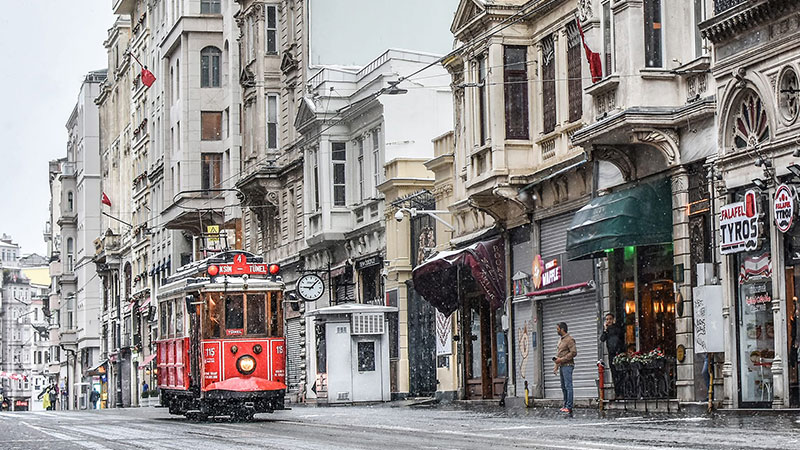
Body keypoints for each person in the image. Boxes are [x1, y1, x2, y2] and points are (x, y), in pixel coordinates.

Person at [553, 322, 577, 414]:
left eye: (558, 329)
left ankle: (569, 406)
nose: (557, 331)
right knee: (563, 386)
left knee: (568, 386)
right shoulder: (560, 340)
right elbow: (559, 354)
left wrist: (562, 359)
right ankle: (565, 404)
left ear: (562, 329)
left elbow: (573, 352)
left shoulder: (570, 340)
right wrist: (556, 366)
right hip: (562, 366)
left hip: (568, 366)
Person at [600, 313, 625, 395]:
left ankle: (622, 392)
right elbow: (602, 339)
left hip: (619, 353)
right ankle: (617, 393)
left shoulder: (617, 328)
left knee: (620, 373)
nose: (608, 321)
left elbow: (620, 335)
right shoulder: (606, 330)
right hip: (611, 354)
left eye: (610, 319)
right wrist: (605, 330)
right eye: (607, 319)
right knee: (614, 373)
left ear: (613, 320)